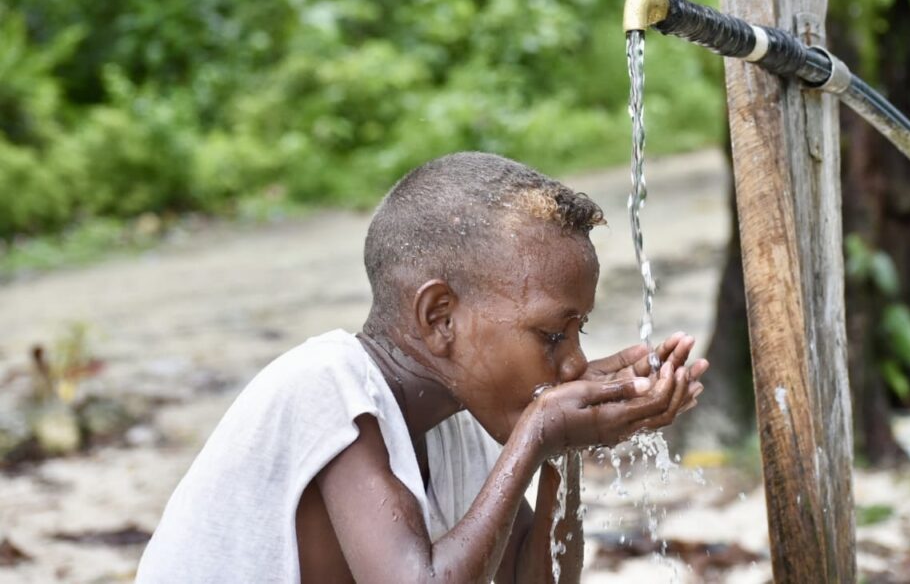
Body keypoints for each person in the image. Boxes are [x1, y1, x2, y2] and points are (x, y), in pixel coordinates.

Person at [136, 151, 708, 583]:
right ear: (440, 318)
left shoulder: (462, 424)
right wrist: (538, 432)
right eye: (552, 334)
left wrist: (565, 448)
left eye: (577, 332)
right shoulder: (326, 383)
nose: (576, 361)